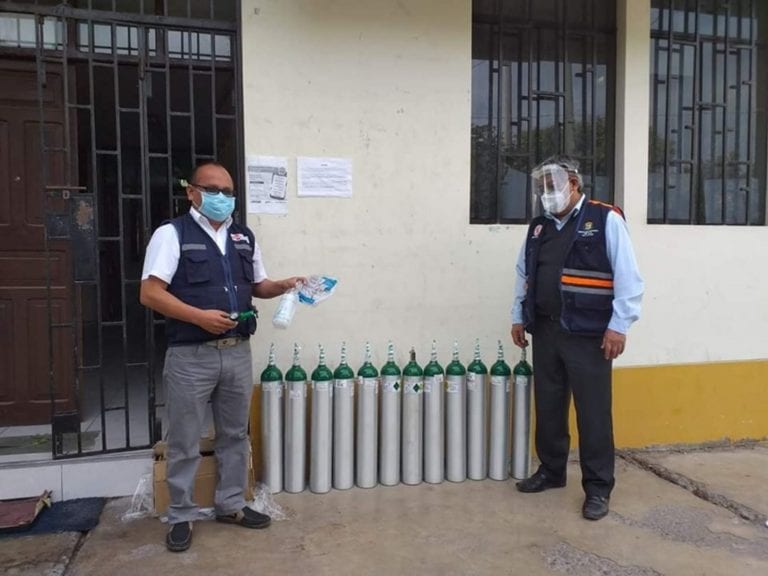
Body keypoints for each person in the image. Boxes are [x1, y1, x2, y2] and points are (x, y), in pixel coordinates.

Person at [140, 161, 304, 552]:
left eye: (229, 192)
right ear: (191, 192)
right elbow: (150, 293)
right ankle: (180, 514)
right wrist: (199, 317)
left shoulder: (243, 236)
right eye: (213, 190)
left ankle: (231, 503)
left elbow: (258, 286)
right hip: (190, 355)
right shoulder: (171, 234)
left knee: (234, 434)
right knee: (184, 438)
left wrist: (285, 285)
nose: (222, 198)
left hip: (236, 352)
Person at [510, 156, 643, 521]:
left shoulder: (605, 218)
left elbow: (629, 277)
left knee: (593, 413)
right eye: (541, 187)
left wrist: (619, 325)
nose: (546, 193)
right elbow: (524, 273)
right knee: (549, 405)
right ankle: (552, 471)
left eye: (552, 185)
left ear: (574, 183)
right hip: (548, 329)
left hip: (590, 334)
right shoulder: (539, 227)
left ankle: (598, 488)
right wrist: (517, 316)